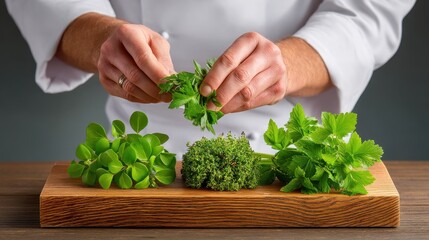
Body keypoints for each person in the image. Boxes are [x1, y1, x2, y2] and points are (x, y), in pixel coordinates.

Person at [6, 0, 415, 155]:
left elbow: (369, 11)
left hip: (293, 153)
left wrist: (289, 63)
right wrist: (101, 40)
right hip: (139, 159)